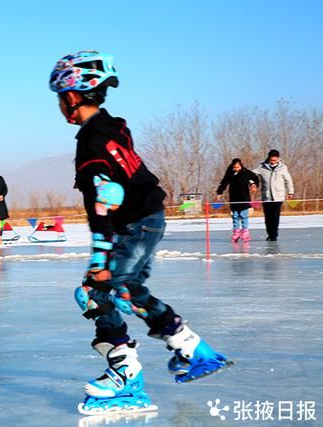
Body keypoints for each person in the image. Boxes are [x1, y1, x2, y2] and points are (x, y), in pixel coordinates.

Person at [49, 51, 230, 416]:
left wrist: (100, 259)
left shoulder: (91, 142)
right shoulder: (112, 127)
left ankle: (125, 377)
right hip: (149, 219)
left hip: (133, 223)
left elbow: (105, 200)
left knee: (94, 291)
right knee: (128, 290)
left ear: (70, 96)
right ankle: (194, 350)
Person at [252, 149, 294, 242]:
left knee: (275, 216)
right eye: (271, 160)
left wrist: (290, 192)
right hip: (266, 196)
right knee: (267, 217)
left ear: (278, 159)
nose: (272, 162)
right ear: (268, 158)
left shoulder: (283, 168)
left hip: (278, 196)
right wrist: (252, 183)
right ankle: (270, 233)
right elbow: (251, 175)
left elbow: (288, 180)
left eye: (274, 160)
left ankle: (274, 235)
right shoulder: (261, 167)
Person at [216, 158, 259, 242]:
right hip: (234, 198)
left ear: (241, 166)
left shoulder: (245, 172)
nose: (236, 169)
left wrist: (254, 185)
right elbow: (224, 182)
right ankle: (236, 232)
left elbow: (254, 178)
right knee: (235, 216)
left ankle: (245, 232)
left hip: (244, 197)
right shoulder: (230, 173)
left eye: (238, 167)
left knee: (244, 216)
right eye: (234, 167)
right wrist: (219, 192)